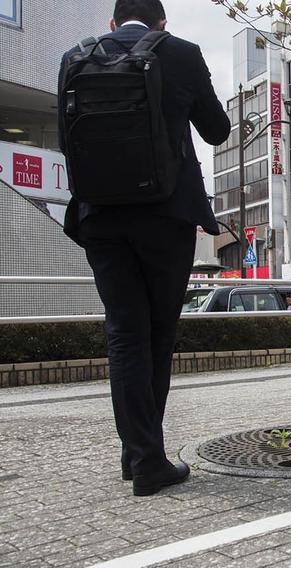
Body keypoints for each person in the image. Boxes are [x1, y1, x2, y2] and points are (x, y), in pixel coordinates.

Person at [59, 0, 230, 496]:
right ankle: (145, 458)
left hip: (100, 216)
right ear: (161, 23)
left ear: (113, 23)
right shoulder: (181, 51)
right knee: (157, 335)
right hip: (166, 214)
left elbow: (68, 140)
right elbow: (216, 130)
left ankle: (139, 452)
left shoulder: (75, 57)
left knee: (124, 335)